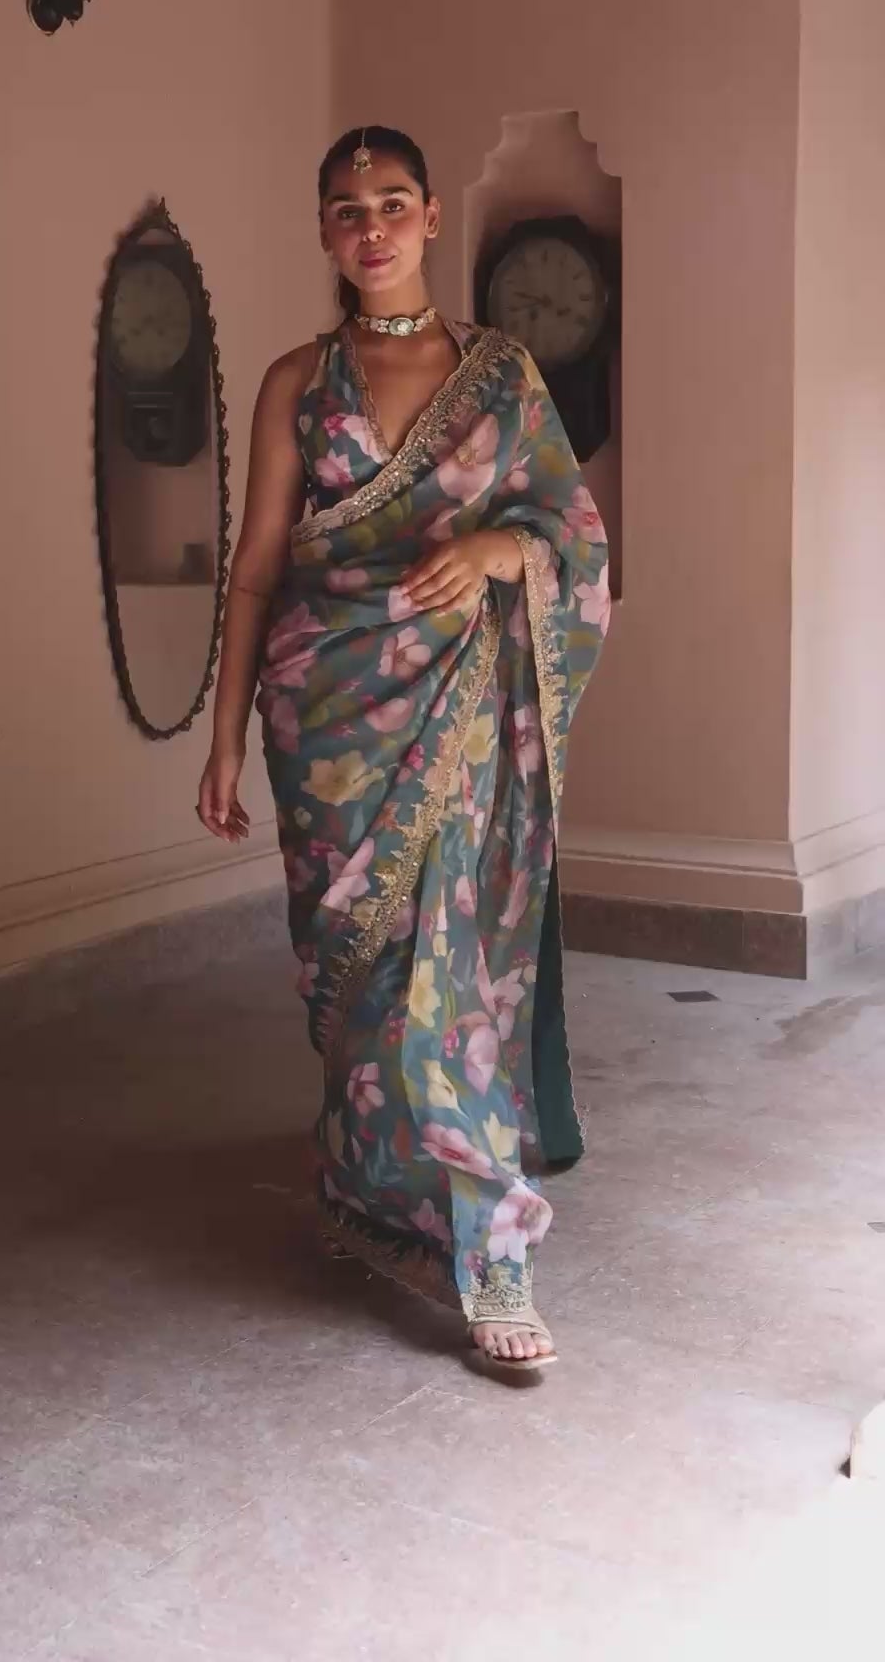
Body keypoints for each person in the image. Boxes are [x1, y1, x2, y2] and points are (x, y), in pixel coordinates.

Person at [197, 126, 609, 1373]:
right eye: (344, 208)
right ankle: (366, 1183)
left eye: (390, 203)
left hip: (462, 710)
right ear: (323, 230)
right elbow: (257, 569)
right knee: (364, 986)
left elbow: (574, 537)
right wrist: (222, 740)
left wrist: (497, 550)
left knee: (448, 981)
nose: (369, 227)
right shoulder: (296, 382)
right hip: (322, 722)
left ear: (432, 216)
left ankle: (492, 1246)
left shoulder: (503, 376)